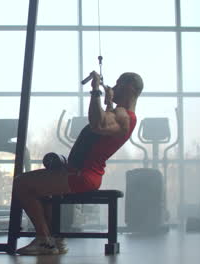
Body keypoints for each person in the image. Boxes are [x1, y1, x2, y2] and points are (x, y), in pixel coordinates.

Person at [13, 71, 143, 255]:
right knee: (40, 187)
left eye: (118, 84)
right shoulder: (123, 115)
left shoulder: (124, 115)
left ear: (129, 87)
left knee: (21, 183)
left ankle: (44, 241)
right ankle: (54, 238)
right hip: (83, 173)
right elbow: (103, 127)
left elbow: (98, 124)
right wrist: (107, 102)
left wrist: (96, 90)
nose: (113, 87)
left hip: (82, 176)